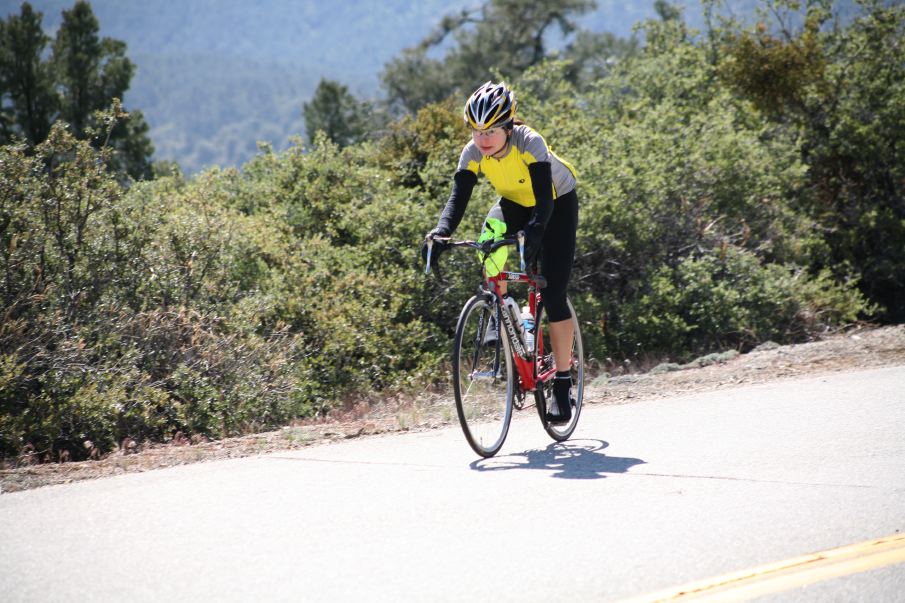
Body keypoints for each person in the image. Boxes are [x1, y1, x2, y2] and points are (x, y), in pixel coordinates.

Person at [422, 81, 579, 425]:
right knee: (488, 239)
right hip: (513, 203)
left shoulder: (530, 143)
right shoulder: (472, 152)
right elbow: (457, 199)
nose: (483, 138)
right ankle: (500, 309)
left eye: (491, 129)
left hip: (555, 203)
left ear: (509, 126)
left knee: (553, 293)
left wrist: (535, 232)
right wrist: (440, 233)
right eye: (476, 130)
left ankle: (563, 381)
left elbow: (544, 200)